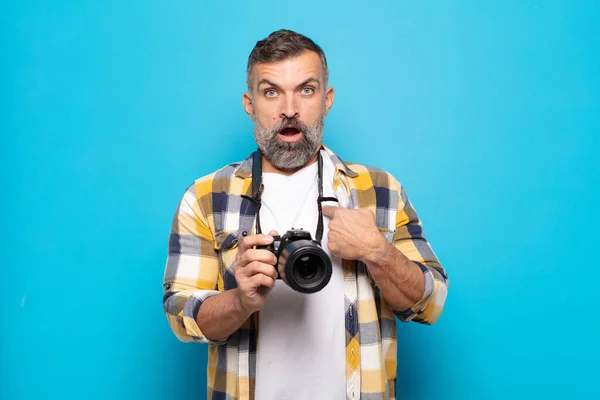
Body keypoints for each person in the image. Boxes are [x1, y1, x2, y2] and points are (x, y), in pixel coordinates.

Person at [163, 29, 449, 400]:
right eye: (271, 92)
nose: (290, 109)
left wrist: (378, 252)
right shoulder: (205, 197)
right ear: (249, 104)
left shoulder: (380, 191)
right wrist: (238, 300)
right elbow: (179, 315)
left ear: (327, 100)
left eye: (306, 90)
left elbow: (431, 302)